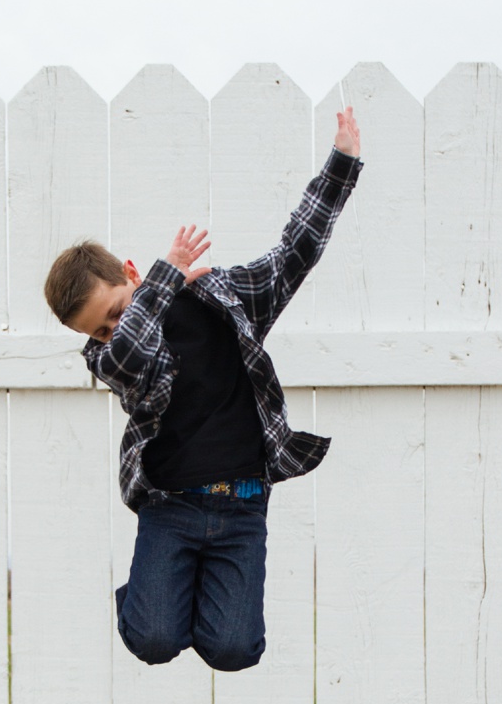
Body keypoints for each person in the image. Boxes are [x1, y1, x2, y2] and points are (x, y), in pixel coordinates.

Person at [44, 108, 364, 672]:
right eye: (98, 328)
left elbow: (294, 253)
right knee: (153, 640)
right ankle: (150, 595)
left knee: (235, 650)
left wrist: (340, 166)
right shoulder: (110, 356)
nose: (112, 328)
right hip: (171, 510)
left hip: (242, 507)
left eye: (116, 310)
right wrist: (165, 282)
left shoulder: (223, 299)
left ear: (130, 272)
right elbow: (133, 350)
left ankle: (177, 594)